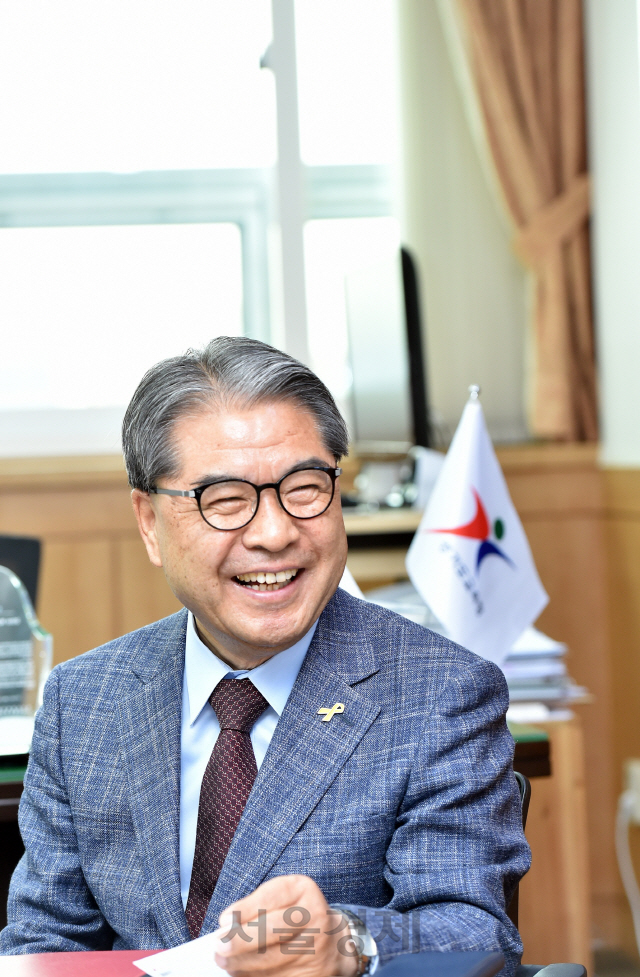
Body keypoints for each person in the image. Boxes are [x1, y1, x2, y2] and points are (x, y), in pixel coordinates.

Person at [0, 337, 530, 975]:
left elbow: (472, 925)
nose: (275, 533)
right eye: (225, 501)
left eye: (305, 488)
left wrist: (347, 943)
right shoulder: (83, 700)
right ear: (148, 521)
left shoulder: (441, 693)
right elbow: (44, 946)